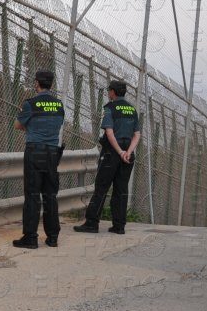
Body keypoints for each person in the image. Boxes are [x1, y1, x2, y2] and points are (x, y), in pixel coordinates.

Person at [74, 79, 141, 235]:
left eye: (109, 90)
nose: (108, 93)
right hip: (128, 154)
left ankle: (92, 223)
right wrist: (128, 152)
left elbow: (109, 133)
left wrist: (119, 152)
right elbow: (137, 134)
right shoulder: (132, 109)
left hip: (112, 153)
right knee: (121, 189)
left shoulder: (110, 108)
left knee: (101, 187)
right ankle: (119, 226)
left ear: (113, 92)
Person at [12, 69, 65, 248]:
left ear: (36, 83)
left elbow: (18, 125)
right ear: (51, 84)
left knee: (32, 195)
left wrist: (29, 125)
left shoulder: (30, 104)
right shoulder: (59, 105)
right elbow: (56, 125)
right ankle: (53, 237)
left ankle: (31, 238)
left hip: (35, 151)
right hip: (53, 153)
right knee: (50, 195)